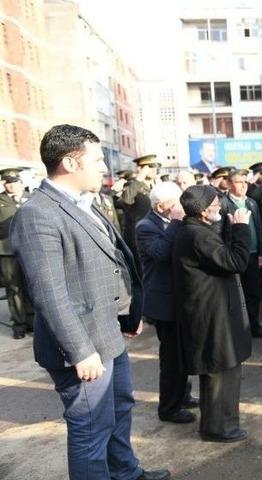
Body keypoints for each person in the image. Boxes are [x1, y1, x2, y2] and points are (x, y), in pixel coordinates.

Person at [11, 124, 169, 480]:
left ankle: (126, 473)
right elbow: (49, 293)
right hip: (81, 346)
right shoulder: (38, 214)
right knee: (91, 431)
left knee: (118, 410)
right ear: (69, 162)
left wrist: (128, 313)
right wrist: (80, 350)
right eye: (97, 160)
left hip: (107, 331)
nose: (103, 168)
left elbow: (110, 262)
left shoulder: (85, 202)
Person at [173, 185, 252, 442]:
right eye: (216, 204)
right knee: (221, 370)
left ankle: (217, 423)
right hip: (212, 315)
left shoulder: (195, 231)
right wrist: (241, 227)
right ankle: (219, 428)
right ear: (204, 212)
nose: (220, 207)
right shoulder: (198, 236)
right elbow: (236, 262)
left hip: (210, 312)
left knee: (220, 370)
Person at [136, 181, 198, 424]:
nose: (178, 207)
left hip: (179, 297)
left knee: (183, 352)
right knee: (171, 357)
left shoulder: (170, 221)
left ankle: (183, 395)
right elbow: (161, 253)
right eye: (173, 204)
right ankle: (169, 408)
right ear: (159, 206)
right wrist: (175, 223)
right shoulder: (145, 227)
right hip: (163, 301)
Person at [221, 169, 262, 338]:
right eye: (238, 182)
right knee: (236, 294)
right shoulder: (223, 204)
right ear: (228, 184)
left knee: (253, 292)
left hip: (253, 254)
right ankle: (239, 329)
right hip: (234, 256)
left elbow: (258, 228)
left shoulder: (251, 203)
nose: (243, 185)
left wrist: (261, 253)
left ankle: (254, 325)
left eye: (245, 182)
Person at [0, 168, 34, 339]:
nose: (11, 185)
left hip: (31, 250)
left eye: (14, 182)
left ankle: (32, 321)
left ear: (20, 182)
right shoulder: (0, 200)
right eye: (7, 182)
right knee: (14, 288)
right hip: (7, 252)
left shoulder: (31, 198)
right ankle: (19, 324)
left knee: (32, 286)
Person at [119, 154, 159, 262]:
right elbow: (126, 199)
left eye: (155, 166)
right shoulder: (132, 185)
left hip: (155, 232)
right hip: (138, 236)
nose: (154, 169)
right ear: (140, 168)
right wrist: (140, 178)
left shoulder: (155, 186)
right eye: (149, 166)